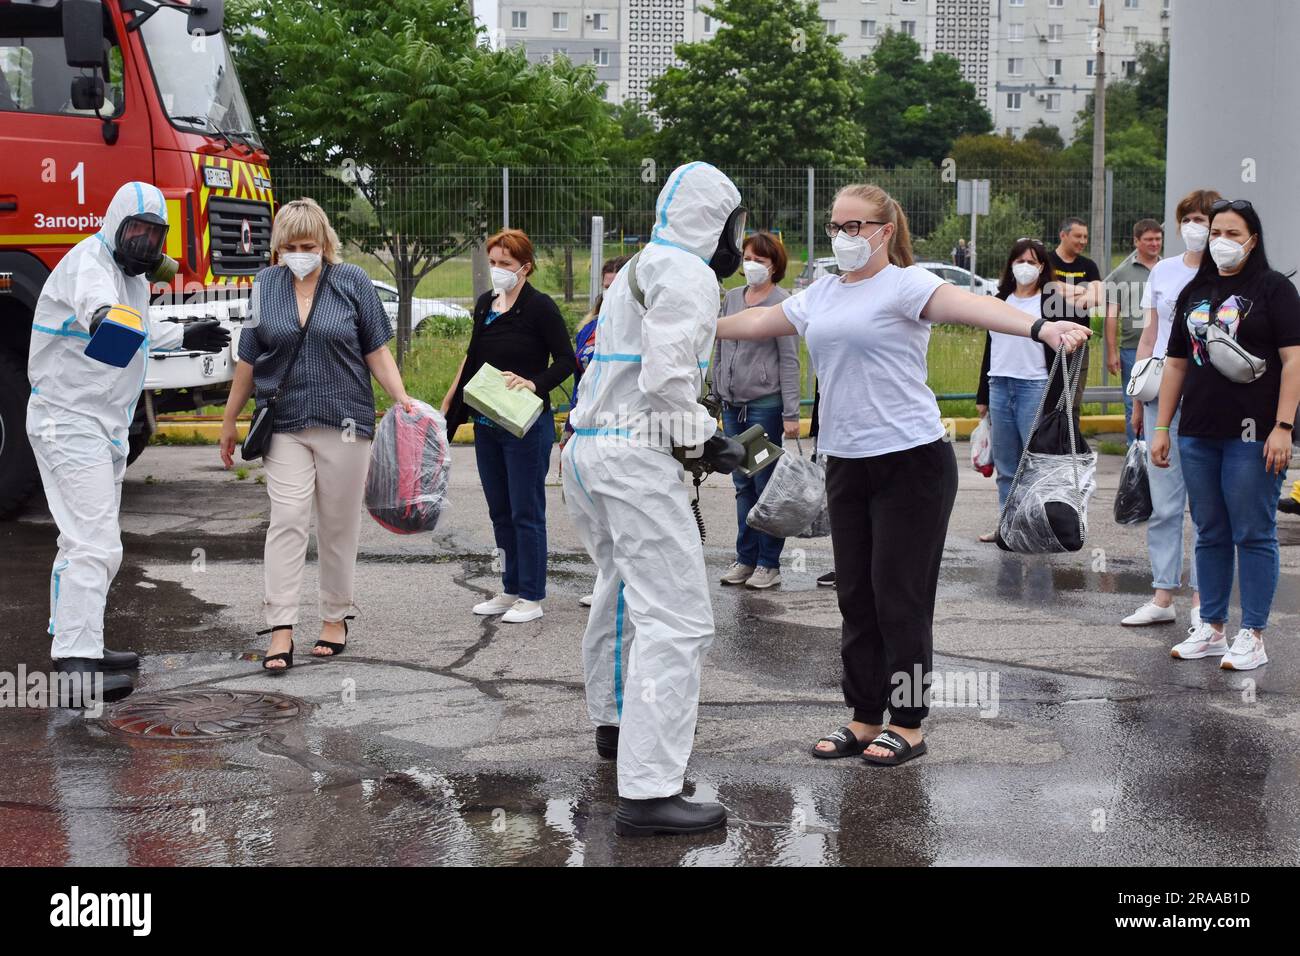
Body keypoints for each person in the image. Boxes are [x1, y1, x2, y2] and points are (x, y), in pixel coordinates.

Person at [717, 183, 1088, 768]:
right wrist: (688, 327)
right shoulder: (823, 294)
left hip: (911, 462)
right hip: (846, 462)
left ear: (885, 231)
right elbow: (759, 318)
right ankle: (864, 717)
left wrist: (1040, 327)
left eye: (855, 227)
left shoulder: (907, 284)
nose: (843, 237)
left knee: (900, 597)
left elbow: (973, 308)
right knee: (856, 595)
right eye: (836, 227)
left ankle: (908, 724)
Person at [562, 162, 747, 836]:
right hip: (634, 460)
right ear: (715, 220)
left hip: (588, 450)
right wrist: (706, 440)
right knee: (676, 620)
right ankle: (649, 791)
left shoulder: (644, 263)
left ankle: (615, 726)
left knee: (619, 590)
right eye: (735, 223)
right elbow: (670, 378)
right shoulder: (690, 275)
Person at [28, 181, 229, 702]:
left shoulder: (129, 276)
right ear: (115, 224)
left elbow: (135, 327)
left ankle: (81, 643)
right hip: (68, 420)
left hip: (103, 425)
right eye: (134, 231)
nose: (144, 243)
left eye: (154, 235)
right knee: (93, 542)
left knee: (84, 539)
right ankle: (76, 665)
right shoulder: (89, 264)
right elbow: (103, 312)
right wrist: (101, 318)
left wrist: (184, 335)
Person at [220, 198, 412, 671]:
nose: (299, 253)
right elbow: (249, 358)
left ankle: (334, 615)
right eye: (290, 246)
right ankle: (281, 625)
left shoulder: (352, 282)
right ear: (277, 247)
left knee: (338, 523)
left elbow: (377, 351)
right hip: (283, 422)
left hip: (345, 420)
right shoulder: (265, 285)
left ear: (325, 243)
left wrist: (403, 400)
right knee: (286, 519)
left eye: (308, 245)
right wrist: (229, 419)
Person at [1153, 198, 1300, 670]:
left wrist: (1283, 427)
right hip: (1197, 431)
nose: (1221, 241)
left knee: (1253, 532)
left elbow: (1294, 361)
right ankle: (1212, 628)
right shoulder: (1195, 291)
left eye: (1232, 234)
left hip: (1255, 434)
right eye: (1216, 232)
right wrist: (1162, 426)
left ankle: (1252, 634)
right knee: (1210, 531)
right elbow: (1175, 361)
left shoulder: (1275, 290)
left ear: (1252, 240)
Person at [442, 229, 576, 625]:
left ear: (525, 268)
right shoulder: (486, 304)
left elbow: (567, 360)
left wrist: (534, 383)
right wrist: (451, 398)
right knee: (499, 509)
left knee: (525, 510)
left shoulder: (541, 308)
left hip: (525, 425)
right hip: (487, 421)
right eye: (494, 262)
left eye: (506, 264)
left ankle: (532, 595)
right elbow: (472, 355)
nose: (498, 270)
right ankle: (510, 587)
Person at [1123, 189, 1219, 630]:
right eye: (1189, 218)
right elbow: (1150, 335)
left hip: (1209, 395)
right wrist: (1138, 398)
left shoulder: (1225, 274)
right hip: (1163, 392)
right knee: (1164, 504)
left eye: (1203, 218)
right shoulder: (1161, 271)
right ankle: (1163, 595)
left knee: (1205, 505)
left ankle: (1204, 600)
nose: (1195, 226)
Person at [715, 231, 798, 589]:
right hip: (732, 405)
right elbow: (718, 344)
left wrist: (791, 413)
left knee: (765, 483)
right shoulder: (732, 298)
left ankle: (769, 562)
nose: (752, 266)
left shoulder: (782, 301)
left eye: (760, 261)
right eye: (748, 258)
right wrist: (716, 390)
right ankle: (745, 558)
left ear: (774, 265)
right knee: (741, 483)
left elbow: (790, 360)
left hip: (764, 407)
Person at [975, 238, 1066, 542]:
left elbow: (1067, 344)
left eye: (1032, 262)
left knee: (1035, 463)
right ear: (1011, 265)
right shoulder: (998, 299)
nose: (1025, 267)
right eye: (1020, 261)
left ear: (1042, 267)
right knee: (1006, 465)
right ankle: (1007, 526)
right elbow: (990, 348)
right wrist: (982, 397)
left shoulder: (1051, 301)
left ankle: (1038, 527)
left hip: (1035, 386)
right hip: (999, 384)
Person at [564, 255, 628, 608]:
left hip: (620, 431)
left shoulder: (637, 329)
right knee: (594, 515)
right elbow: (580, 383)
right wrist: (571, 424)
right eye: (604, 287)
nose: (609, 294)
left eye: (615, 286)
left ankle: (625, 583)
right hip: (585, 427)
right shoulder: (588, 330)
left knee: (620, 513)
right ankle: (607, 579)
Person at [1105, 219, 1164, 444]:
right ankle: (1136, 452)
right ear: (1136, 241)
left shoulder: (1167, 269)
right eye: (1148, 239)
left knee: (1163, 400)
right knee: (1134, 402)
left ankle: (1160, 449)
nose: (1154, 243)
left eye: (1158, 239)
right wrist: (1111, 352)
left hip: (1164, 349)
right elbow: (1112, 315)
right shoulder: (1122, 273)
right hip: (1132, 349)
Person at [1048, 217, 1103, 413]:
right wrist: (1083, 289)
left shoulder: (1088, 265)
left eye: (1085, 237)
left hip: (1079, 343)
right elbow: (1048, 289)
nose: (1083, 241)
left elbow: (1098, 297)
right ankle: (1045, 441)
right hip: (1049, 341)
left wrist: (1063, 292)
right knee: (1048, 398)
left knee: (1073, 401)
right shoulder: (1047, 261)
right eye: (1078, 236)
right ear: (1063, 235)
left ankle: (1070, 443)